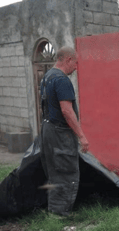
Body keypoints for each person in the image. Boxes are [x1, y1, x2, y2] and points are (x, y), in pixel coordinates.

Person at [40, 46, 89, 216]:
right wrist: (82, 137)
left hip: (47, 130)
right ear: (68, 59)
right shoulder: (61, 80)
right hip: (60, 132)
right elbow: (67, 111)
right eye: (75, 63)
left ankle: (54, 210)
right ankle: (60, 214)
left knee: (54, 171)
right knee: (66, 171)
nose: (76, 67)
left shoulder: (46, 77)